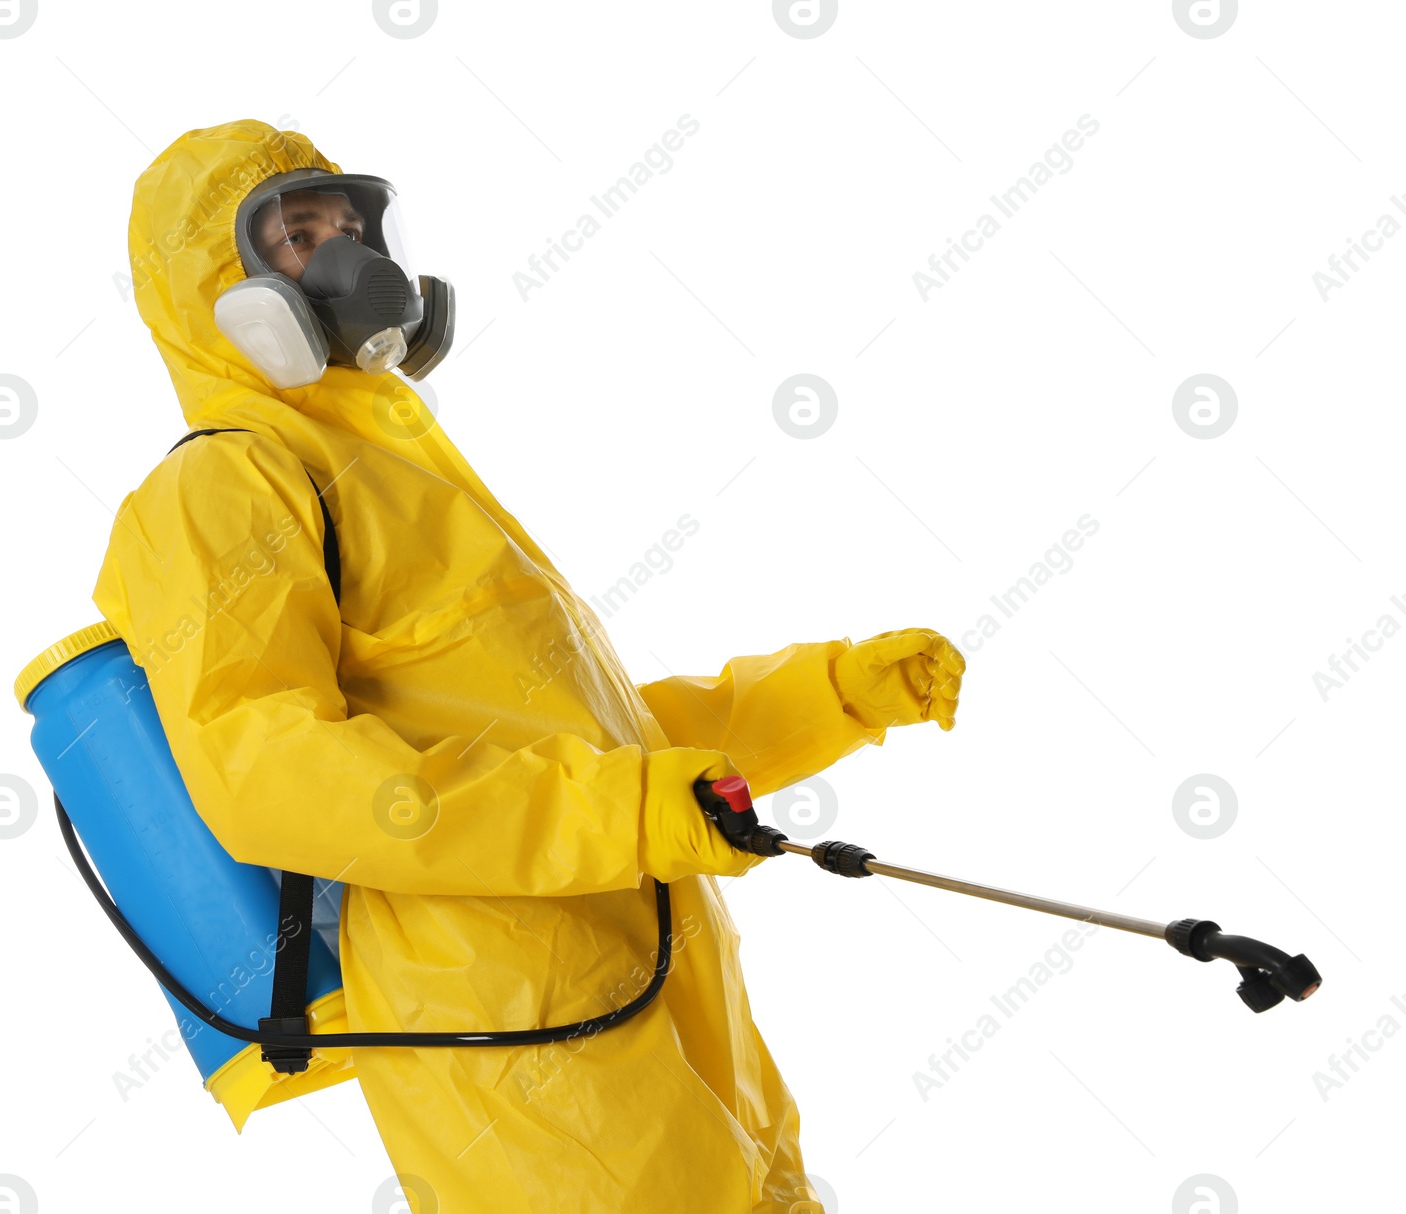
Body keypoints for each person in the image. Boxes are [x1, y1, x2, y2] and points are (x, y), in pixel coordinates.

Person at [93, 118, 964, 1213]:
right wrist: (621, 813)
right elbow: (275, 776)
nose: (353, 253)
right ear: (219, 281)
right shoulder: (224, 488)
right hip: (507, 1016)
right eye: (302, 233)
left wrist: (825, 696)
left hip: (652, 964)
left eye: (353, 223)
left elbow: (587, 743)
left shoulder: (393, 467)